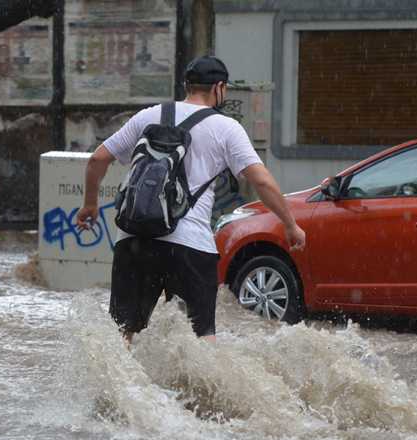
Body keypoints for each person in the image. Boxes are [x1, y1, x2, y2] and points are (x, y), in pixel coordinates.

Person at [74, 56, 306, 343]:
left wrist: (90, 204)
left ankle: (121, 376)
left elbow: (97, 159)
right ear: (219, 88)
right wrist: (290, 224)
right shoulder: (226, 128)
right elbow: (262, 181)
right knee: (201, 340)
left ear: (187, 85)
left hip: (135, 240)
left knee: (124, 334)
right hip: (189, 245)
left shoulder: (148, 116)